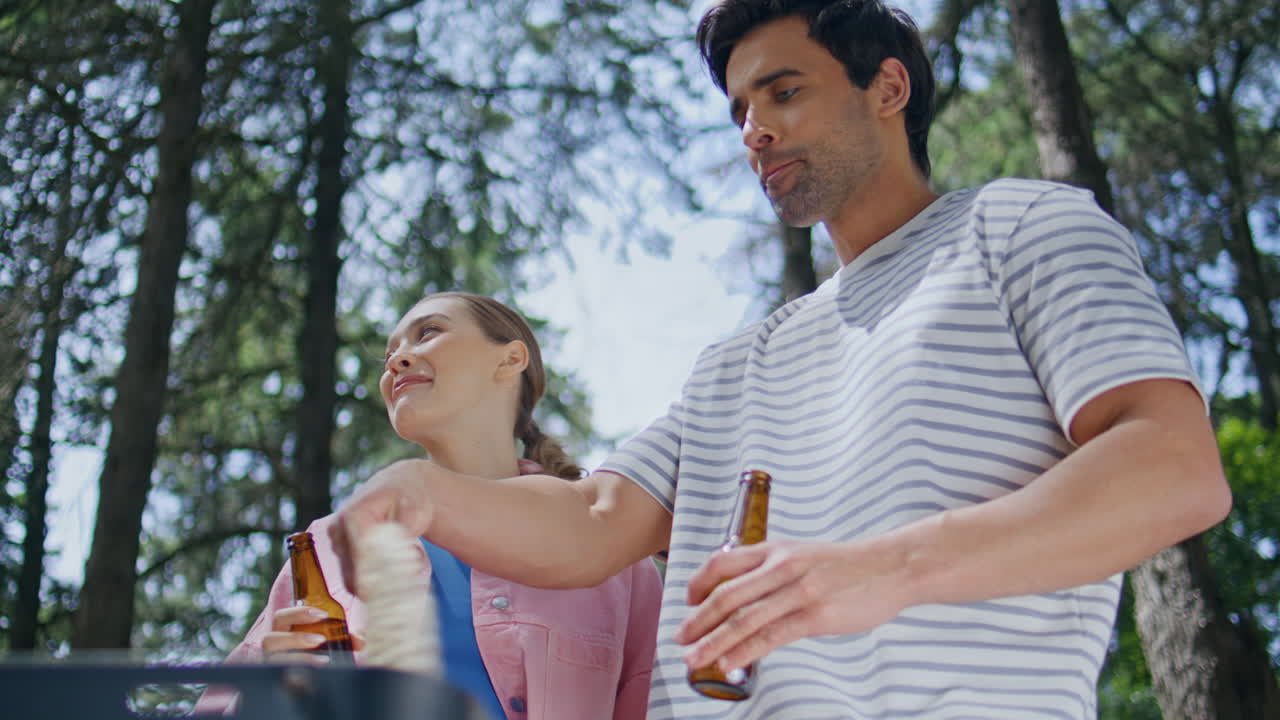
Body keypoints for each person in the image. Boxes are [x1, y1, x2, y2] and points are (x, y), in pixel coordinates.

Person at [328, 2, 1233, 718]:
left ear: (887, 87)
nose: (753, 128)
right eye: (740, 110)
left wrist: (880, 571)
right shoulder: (736, 364)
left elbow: (1173, 467)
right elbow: (595, 518)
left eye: (784, 92)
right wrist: (429, 496)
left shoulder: (1022, 227)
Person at [199, 292, 662, 720]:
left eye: (429, 333)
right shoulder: (326, 550)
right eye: (387, 357)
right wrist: (266, 694)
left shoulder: (617, 557)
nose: (396, 362)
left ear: (510, 359)